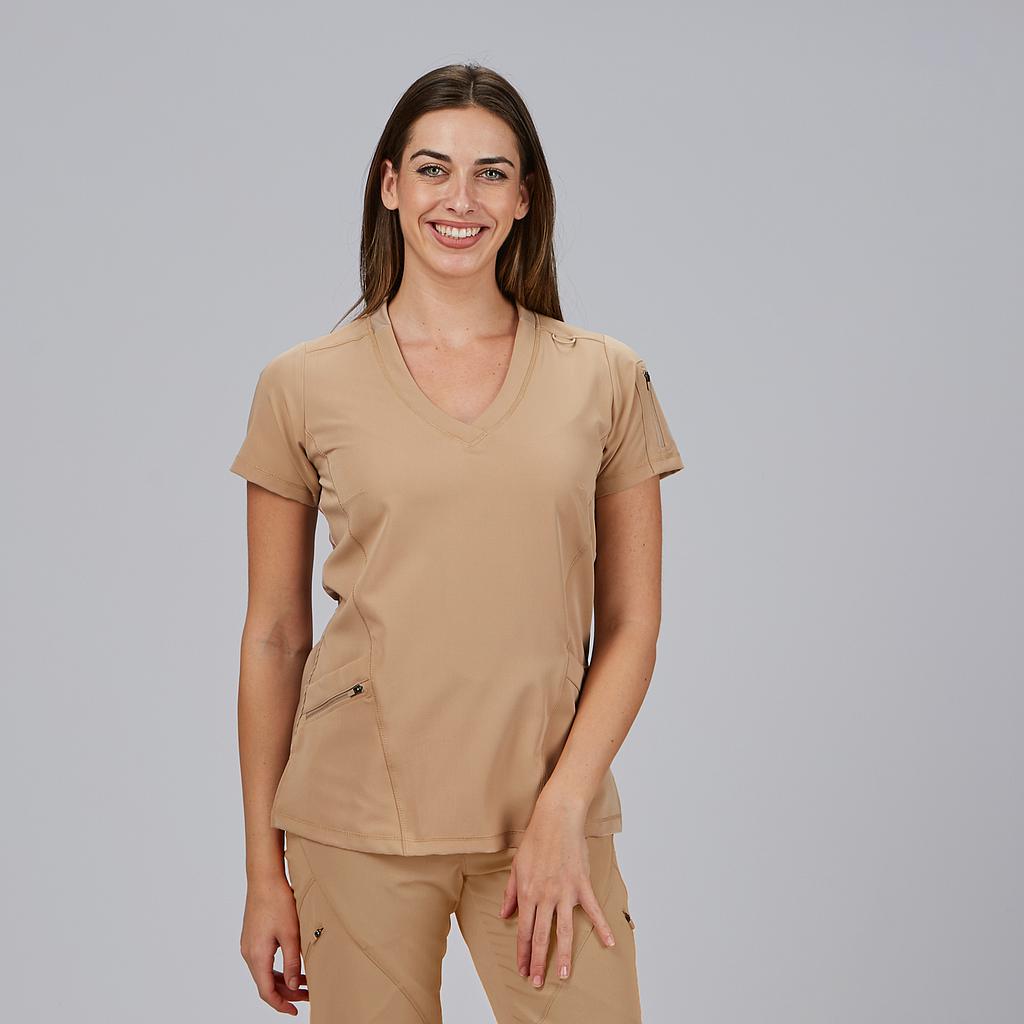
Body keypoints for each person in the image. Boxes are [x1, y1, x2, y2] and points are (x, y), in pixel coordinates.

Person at [230, 62, 685, 1024]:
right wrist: (263, 873)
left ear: (524, 198)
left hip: (546, 813)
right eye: (434, 169)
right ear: (390, 185)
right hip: (355, 820)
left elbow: (633, 626)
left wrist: (565, 806)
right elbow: (273, 636)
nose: (460, 199)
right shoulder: (302, 385)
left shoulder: (605, 378)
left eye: (491, 173)